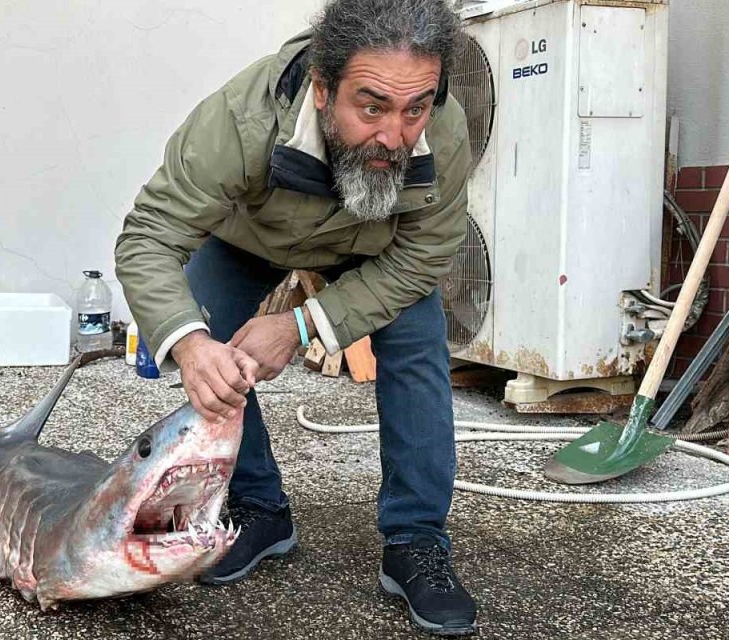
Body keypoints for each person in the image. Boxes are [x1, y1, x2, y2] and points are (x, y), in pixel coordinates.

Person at [114, 0, 475, 634]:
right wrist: (193, 345)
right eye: (372, 107)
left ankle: (417, 540)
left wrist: (305, 324)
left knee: (418, 346)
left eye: (414, 108)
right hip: (247, 238)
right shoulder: (238, 119)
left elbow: (425, 255)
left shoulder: (442, 130)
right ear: (321, 87)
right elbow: (148, 236)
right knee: (208, 331)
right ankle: (258, 509)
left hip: (376, 249)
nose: (395, 136)